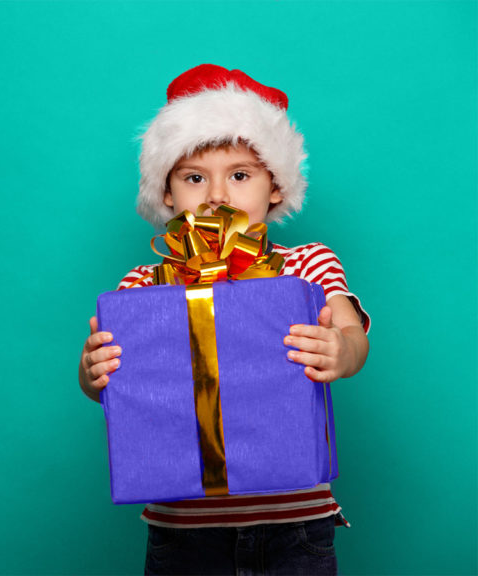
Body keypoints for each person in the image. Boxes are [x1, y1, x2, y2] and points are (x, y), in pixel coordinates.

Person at [78, 64, 370, 575]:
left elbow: (350, 334)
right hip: (182, 532)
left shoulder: (306, 264)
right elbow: (104, 383)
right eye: (194, 178)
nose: (217, 196)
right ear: (167, 195)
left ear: (275, 186)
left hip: (295, 523)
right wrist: (92, 370)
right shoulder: (144, 284)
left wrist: (341, 350)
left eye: (240, 175)